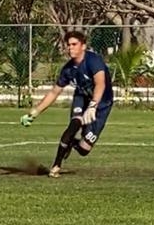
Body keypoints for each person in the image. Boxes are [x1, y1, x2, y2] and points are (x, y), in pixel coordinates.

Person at [20, 31, 113, 178]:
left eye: (74, 44)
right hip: (81, 98)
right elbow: (54, 92)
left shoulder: (93, 61)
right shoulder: (68, 69)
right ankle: (56, 166)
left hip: (102, 104)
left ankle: (72, 143)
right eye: (68, 45)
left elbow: (100, 84)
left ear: (83, 46)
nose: (70, 48)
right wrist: (34, 113)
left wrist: (93, 105)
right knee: (74, 125)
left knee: (84, 149)